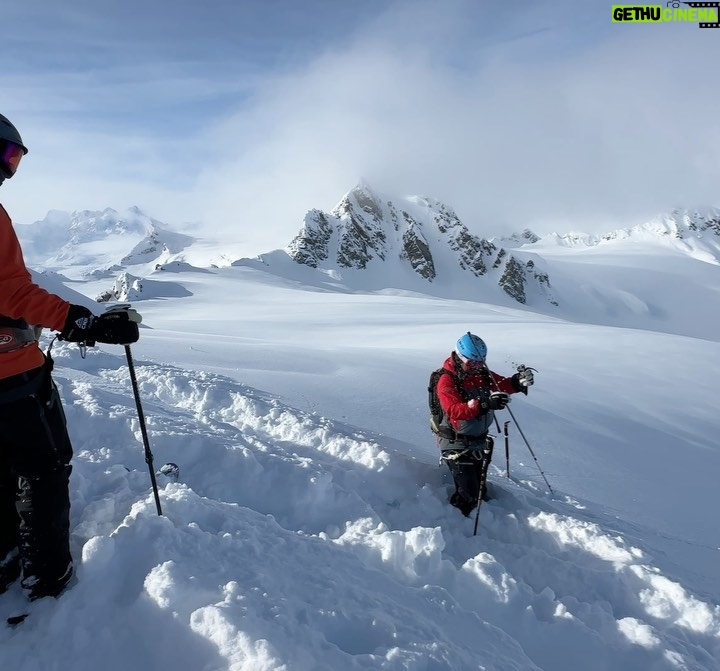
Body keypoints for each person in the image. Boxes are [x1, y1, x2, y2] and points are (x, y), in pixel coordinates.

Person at [0, 112, 139, 601]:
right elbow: (14, 292)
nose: (6, 167)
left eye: (13, 157)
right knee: (42, 467)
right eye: (5, 153)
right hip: (10, 373)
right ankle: (47, 572)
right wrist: (85, 321)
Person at [435, 332, 534, 516]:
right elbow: (454, 410)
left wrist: (518, 382)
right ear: (460, 356)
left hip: (477, 442)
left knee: (480, 491)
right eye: (473, 362)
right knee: (469, 495)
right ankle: (455, 524)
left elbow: (501, 384)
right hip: (456, 443)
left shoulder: (479, 373)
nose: (478, 367)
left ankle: (481, 524)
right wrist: (485, 404)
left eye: (481, 362)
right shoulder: (446, 380)